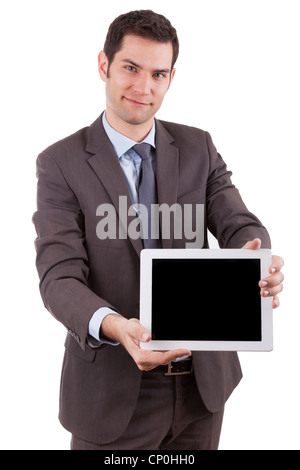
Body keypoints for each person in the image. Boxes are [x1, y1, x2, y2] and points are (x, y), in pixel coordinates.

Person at [33, 10, 284, 450]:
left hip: (200, 390)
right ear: (103, 65)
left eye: (158, 73)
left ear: (171, 77)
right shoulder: (60, 164)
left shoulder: (197, 147)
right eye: (131, 68)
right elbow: (59, 277)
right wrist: (116, 326)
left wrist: (255, 257)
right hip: (111, 393)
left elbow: (237, 221)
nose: (143, 87)